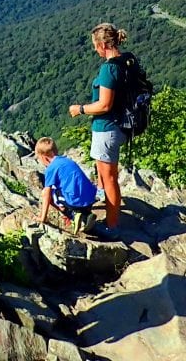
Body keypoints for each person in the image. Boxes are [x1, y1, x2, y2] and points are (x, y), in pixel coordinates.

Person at [69, 23, 128, 232]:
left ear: (103, 44)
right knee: (105, 173)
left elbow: (104, 104)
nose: (95, 50)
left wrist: (81, 109)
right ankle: (104, 200)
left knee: (110, 177)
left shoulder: (109, 69)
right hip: (119, 126)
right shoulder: (126, 61)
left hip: (107, 128)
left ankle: (112, 225)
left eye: (96, 45)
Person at [34, 136, 97, 234]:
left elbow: (46, 193)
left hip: (76, 201)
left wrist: (43, 217)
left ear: (44, 157)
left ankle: (73, 214)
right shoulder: (66, 160)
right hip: (90, 197)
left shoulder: (51, 168)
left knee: (50, 192)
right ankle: (86, 214)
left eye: (39, 159)